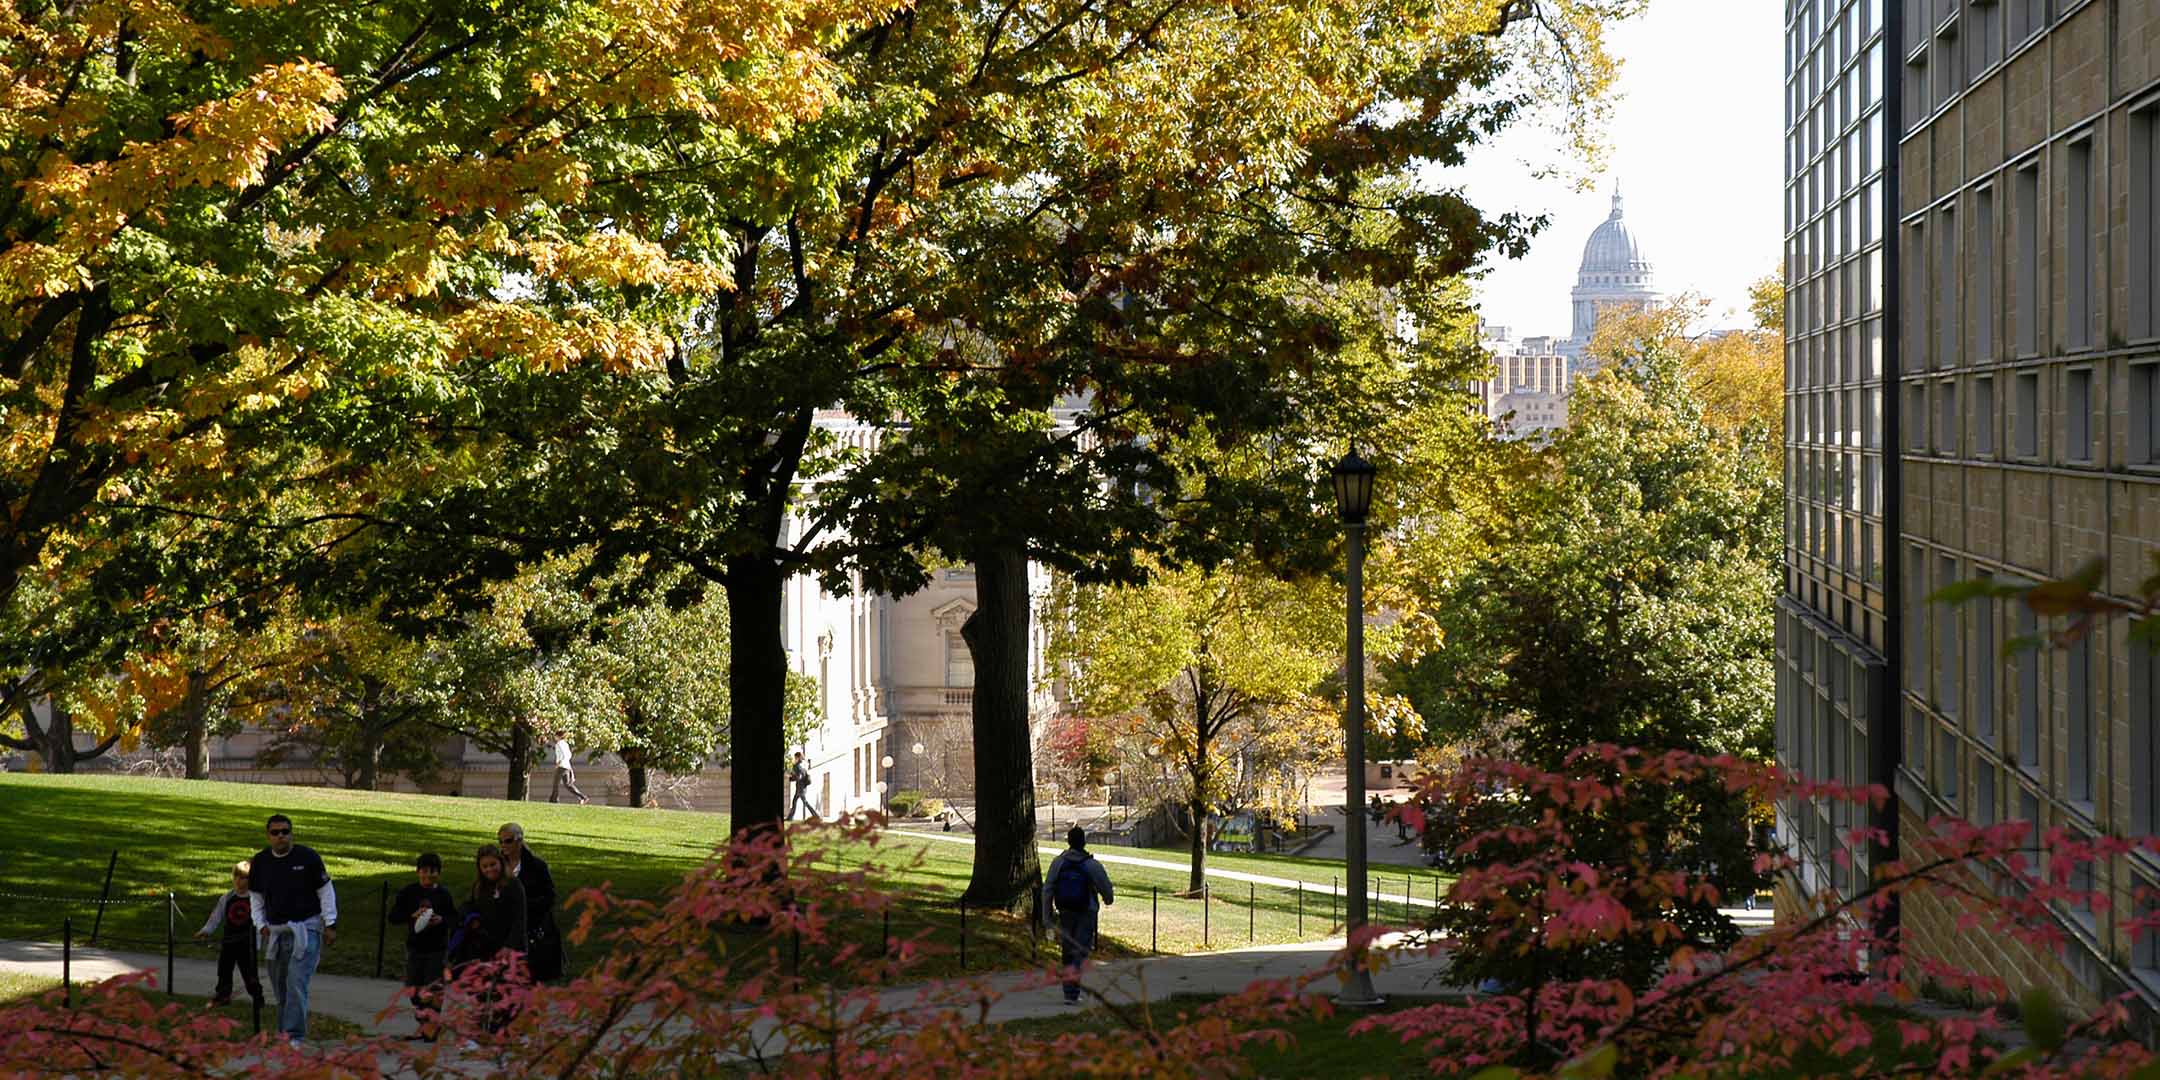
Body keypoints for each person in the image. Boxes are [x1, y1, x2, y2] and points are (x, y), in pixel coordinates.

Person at [248, 813, 337, 1043]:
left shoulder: (307, 857)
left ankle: (294, 1036)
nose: (281, 836)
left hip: (305, 930)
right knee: (281, 988)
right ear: (268, 836)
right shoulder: (260, 861)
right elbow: (256, 897)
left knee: (296, 982)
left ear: (292, 834)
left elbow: (325, 891)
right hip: (275, 932)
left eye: (285, 831)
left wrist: (330, 923)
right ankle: (284, 1034)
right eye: (275, 832)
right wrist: (260, 925)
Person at [449, 844, 528, 1035]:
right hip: (484, 945)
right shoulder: (479, 887)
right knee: (482, 988)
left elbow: (520, 919)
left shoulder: (512, 885)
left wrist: (510, 946)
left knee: (506, 989)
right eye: (485, 867)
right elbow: (467, 906)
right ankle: (485, 1026)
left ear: (500, 862)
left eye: (493, 864)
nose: (489, 870)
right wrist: (470, 918)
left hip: (508, 946)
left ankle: (508, 1028)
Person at [1041, 825, 1114, 1005]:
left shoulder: (1058, 863)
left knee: (1068, 951)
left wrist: (1047, 917)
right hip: (1086, 912)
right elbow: (1106, 888)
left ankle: (1069, 992)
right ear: (1084, 842)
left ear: (1068, 841)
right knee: (1080, 951)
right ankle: (1072, 991)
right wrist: (1107, 899)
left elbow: (1047, 889)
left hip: (1065, 911)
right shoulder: (1091, 864)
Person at [388, 852, 458, 1035]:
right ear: (418, 872)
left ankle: (431, 1026)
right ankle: (423, 1020)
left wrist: (441, 920)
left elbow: (453, 918)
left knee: (433, 988)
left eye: (433, 871)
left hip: (437, 948)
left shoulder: (443, 895)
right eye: (425, 871)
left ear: (439, 873)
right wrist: (412, 916)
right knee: (413, 988)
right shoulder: (409, 892)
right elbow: (393, 917)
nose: (428, 875)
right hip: (415, 947)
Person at [495, 823, 564, 982]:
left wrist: (524, 906)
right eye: (500, 841)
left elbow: (549, 897)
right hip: (503, 932)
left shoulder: (537, 866)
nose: (503, 845)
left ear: (519, 841)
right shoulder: (497, 866)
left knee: (526, 981)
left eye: (508, 841)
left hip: (530, 931)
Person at [192, 859, 263, 1011]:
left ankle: (257, 996)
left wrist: (257, 943)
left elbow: (260, 922)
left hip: (247, 944)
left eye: (243, 877)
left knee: (249, 973)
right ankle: (223, 995)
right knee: (224, 969)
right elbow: (215, 917)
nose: (239, 881)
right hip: (229, 941)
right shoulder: (227, 898)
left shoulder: (255, 900)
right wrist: (206, 930)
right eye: (236, 876)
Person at [548, 734, 588, 806]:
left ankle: (554, 800)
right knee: (568, 785)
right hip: (567, 766)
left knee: (556, 783)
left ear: (558, 736)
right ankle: (583, 797)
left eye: (555, 736)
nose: (554, 737)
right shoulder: (565, 744)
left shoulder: (558, 744)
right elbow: (569, 755)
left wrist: (558, 763)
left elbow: (563, 755)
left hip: (561, 766)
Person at [787, 751, 817, 821]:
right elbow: (798, 776)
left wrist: (790, 777)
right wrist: (791, 777)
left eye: (795, 757)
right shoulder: (799, 765)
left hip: (801, 788)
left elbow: (799, 777)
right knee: (794, 802)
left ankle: (815, 815)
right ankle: (790, 817)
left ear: (797, 758)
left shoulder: (798, 766)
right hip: (800, 788)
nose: (794, 759)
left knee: (805, 802)